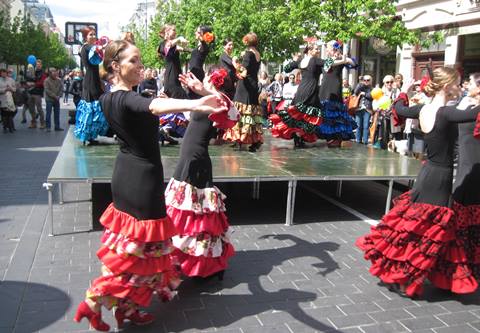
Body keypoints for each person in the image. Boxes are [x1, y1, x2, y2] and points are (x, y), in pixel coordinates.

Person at [73, 39, 228, 332]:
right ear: (116, 67)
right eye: (133, 61)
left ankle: (126, 310)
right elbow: (154, 105)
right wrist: (196, 102)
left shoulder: (108, 98)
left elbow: (151, 105)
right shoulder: (126, 98)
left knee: (135, 251)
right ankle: (92, 304)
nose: (140, 65)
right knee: (136, 254)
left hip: (127, 175)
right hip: (141, 182)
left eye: (140, 60)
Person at [356, 67, 480, 297]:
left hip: (426, 175)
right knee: (428, 231)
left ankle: (438, 276)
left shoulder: (423, 109)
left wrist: (404, 91)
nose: (460, 87)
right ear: (446, 85)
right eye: (457, 83)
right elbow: (473, 115)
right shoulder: (445, 113)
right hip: (440, 178)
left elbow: (399, 108)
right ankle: (406, 277)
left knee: (422, 228)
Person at [165, 66, 237, 280]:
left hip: (195, 160)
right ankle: (191, 260)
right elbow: (190, 116)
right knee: (189, 213)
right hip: (189, 157)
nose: (203, 80)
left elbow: (233, 112)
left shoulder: (218, 101)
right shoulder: (206, 100)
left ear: (214, 81)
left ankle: (201, 264)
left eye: (207, 77)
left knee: (196, 215)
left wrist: (203, 90)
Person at [451, 73, 480, 278]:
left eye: (470, 82)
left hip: (473, 165)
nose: (467, 85)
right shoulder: (467, 104)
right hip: (465, 163)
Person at [223, 32, 263, 152]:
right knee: (251, 112)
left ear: (246, 41)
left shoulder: (248, 54)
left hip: (244, 86)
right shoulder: (257, 54)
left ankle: (239, 138)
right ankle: (254, 140)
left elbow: (243, 71)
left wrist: (235, 62)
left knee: (241, 110)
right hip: (253, 84)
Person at [317, 40, 357, 147]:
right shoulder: (325, 60)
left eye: (330, 47)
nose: (328, 50)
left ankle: (334, 137)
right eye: (328, 48)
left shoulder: (340, 59)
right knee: (324, 113)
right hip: (324, 89)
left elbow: (353, 64)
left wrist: (344, 57)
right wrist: (340, 59)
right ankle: (327, 137)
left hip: (334, 88)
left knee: (335, 114)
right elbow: (327, 66)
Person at [74, 26, 109, 144]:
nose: (93, 36)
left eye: (94, 34)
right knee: (91, 107)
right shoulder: (86, 47)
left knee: (96, 107)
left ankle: (91, 135)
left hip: (94, 79)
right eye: (91, 35)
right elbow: (96, 48)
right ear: (85, 37)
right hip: (90, 81)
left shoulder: (90, 47)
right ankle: (87, 135)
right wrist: (105, 45)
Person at [157, 24, 188, 143]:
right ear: (166, 32)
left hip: (175, 78)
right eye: (173, 30)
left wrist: (193, 49)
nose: (175, 32)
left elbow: (181, 48)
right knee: (179, 101)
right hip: (171, 78)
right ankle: (165, 128)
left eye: (176, 31)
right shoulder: (164, 44)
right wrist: (179, 38)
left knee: (175, 103)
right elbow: (169, 46)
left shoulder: (173, 45)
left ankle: (166, 130)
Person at [26, 59, 47, 129]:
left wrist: (33, 84)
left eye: (39, 65)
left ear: (41, 65)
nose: (38, 66)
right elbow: (29, 79)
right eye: (37, 65)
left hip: (38, 93)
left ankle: (42, 123)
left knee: (39, 108)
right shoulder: (33, 72)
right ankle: (33, 122)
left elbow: (42, 83)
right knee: (31, 109)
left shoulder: (43, 73)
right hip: (31, 92)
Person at [353, 75, 373, 144]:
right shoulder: (360, 87)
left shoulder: (372, 89)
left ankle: (365, 141)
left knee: (366, 126)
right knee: (358, 125)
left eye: (368, 80)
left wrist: (364, 93)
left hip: (367, 109)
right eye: (365, 80)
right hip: (359, 108)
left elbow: (371, 96)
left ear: (370, 81)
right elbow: (355, 92)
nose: (366, 82)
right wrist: (360, 83)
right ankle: (358, 140)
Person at [43, 67, 64, 132]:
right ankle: (48, 127)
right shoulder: (46, 80)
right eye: (53, 72)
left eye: (55, 71)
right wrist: (55, 96)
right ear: (50, 73)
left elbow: (61, 89)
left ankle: (57, 126)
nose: (55, 73)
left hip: (57, 99)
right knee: (48, 114)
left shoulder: (59, 80)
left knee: (57, 113)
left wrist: (59, 96)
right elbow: (47, 90)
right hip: (49, 99)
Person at [0, 68, 17, 133]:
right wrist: (4, 89)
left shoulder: (11, 80)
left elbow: (15, 89)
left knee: (10, 113)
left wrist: (11, 89)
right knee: (4, 114)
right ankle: (5, 125)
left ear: (6, 73)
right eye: (2, 73)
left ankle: (10, 127)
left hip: (10, 99)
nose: (3, 74)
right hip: (2, 99)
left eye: (4, 72)